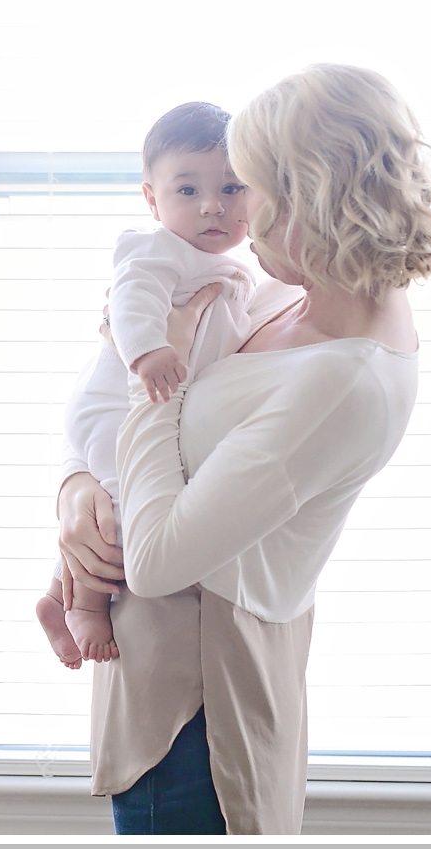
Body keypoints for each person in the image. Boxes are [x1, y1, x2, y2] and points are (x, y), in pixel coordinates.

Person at [55, 63, 431, 834]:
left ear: (309, 197)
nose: (227, 207)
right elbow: (127, 399)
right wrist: (75, 486)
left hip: (200, 707)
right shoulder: (296, 299)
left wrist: (148, 381)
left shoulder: (343, 379)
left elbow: (160, 556)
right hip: (159, 672)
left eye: (245, 184)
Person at [36, 102, 257, 667]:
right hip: (113, 401)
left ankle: (53, 593)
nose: (213, 205)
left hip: (137, 401)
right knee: (119, 508)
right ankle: (82, 606)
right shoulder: (156, 249)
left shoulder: (230, 269)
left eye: (232, 188)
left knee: (114, 499)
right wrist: (150, 351)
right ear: (151, 199)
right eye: (188, 190)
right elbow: (132, 298)